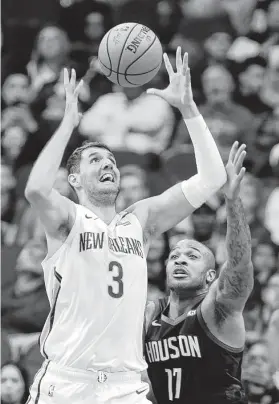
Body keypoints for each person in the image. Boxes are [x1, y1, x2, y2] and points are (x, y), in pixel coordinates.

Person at [24, 47, 227, 404]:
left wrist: (188, 109)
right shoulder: (68, 219)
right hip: (68, 382)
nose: (108, 164)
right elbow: (36, 189)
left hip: (125, 386)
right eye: (95, 159)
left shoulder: (140, 221)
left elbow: (213, 177)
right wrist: (68, 125)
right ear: (73, 179)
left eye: (112, 160)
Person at [145, 142, 253, 404]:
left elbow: (238, 263)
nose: (180, 260)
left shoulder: (217, 308)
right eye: (175, 256)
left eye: (192, 256)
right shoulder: (149, 314)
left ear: (210, 276)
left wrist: (232, 200)